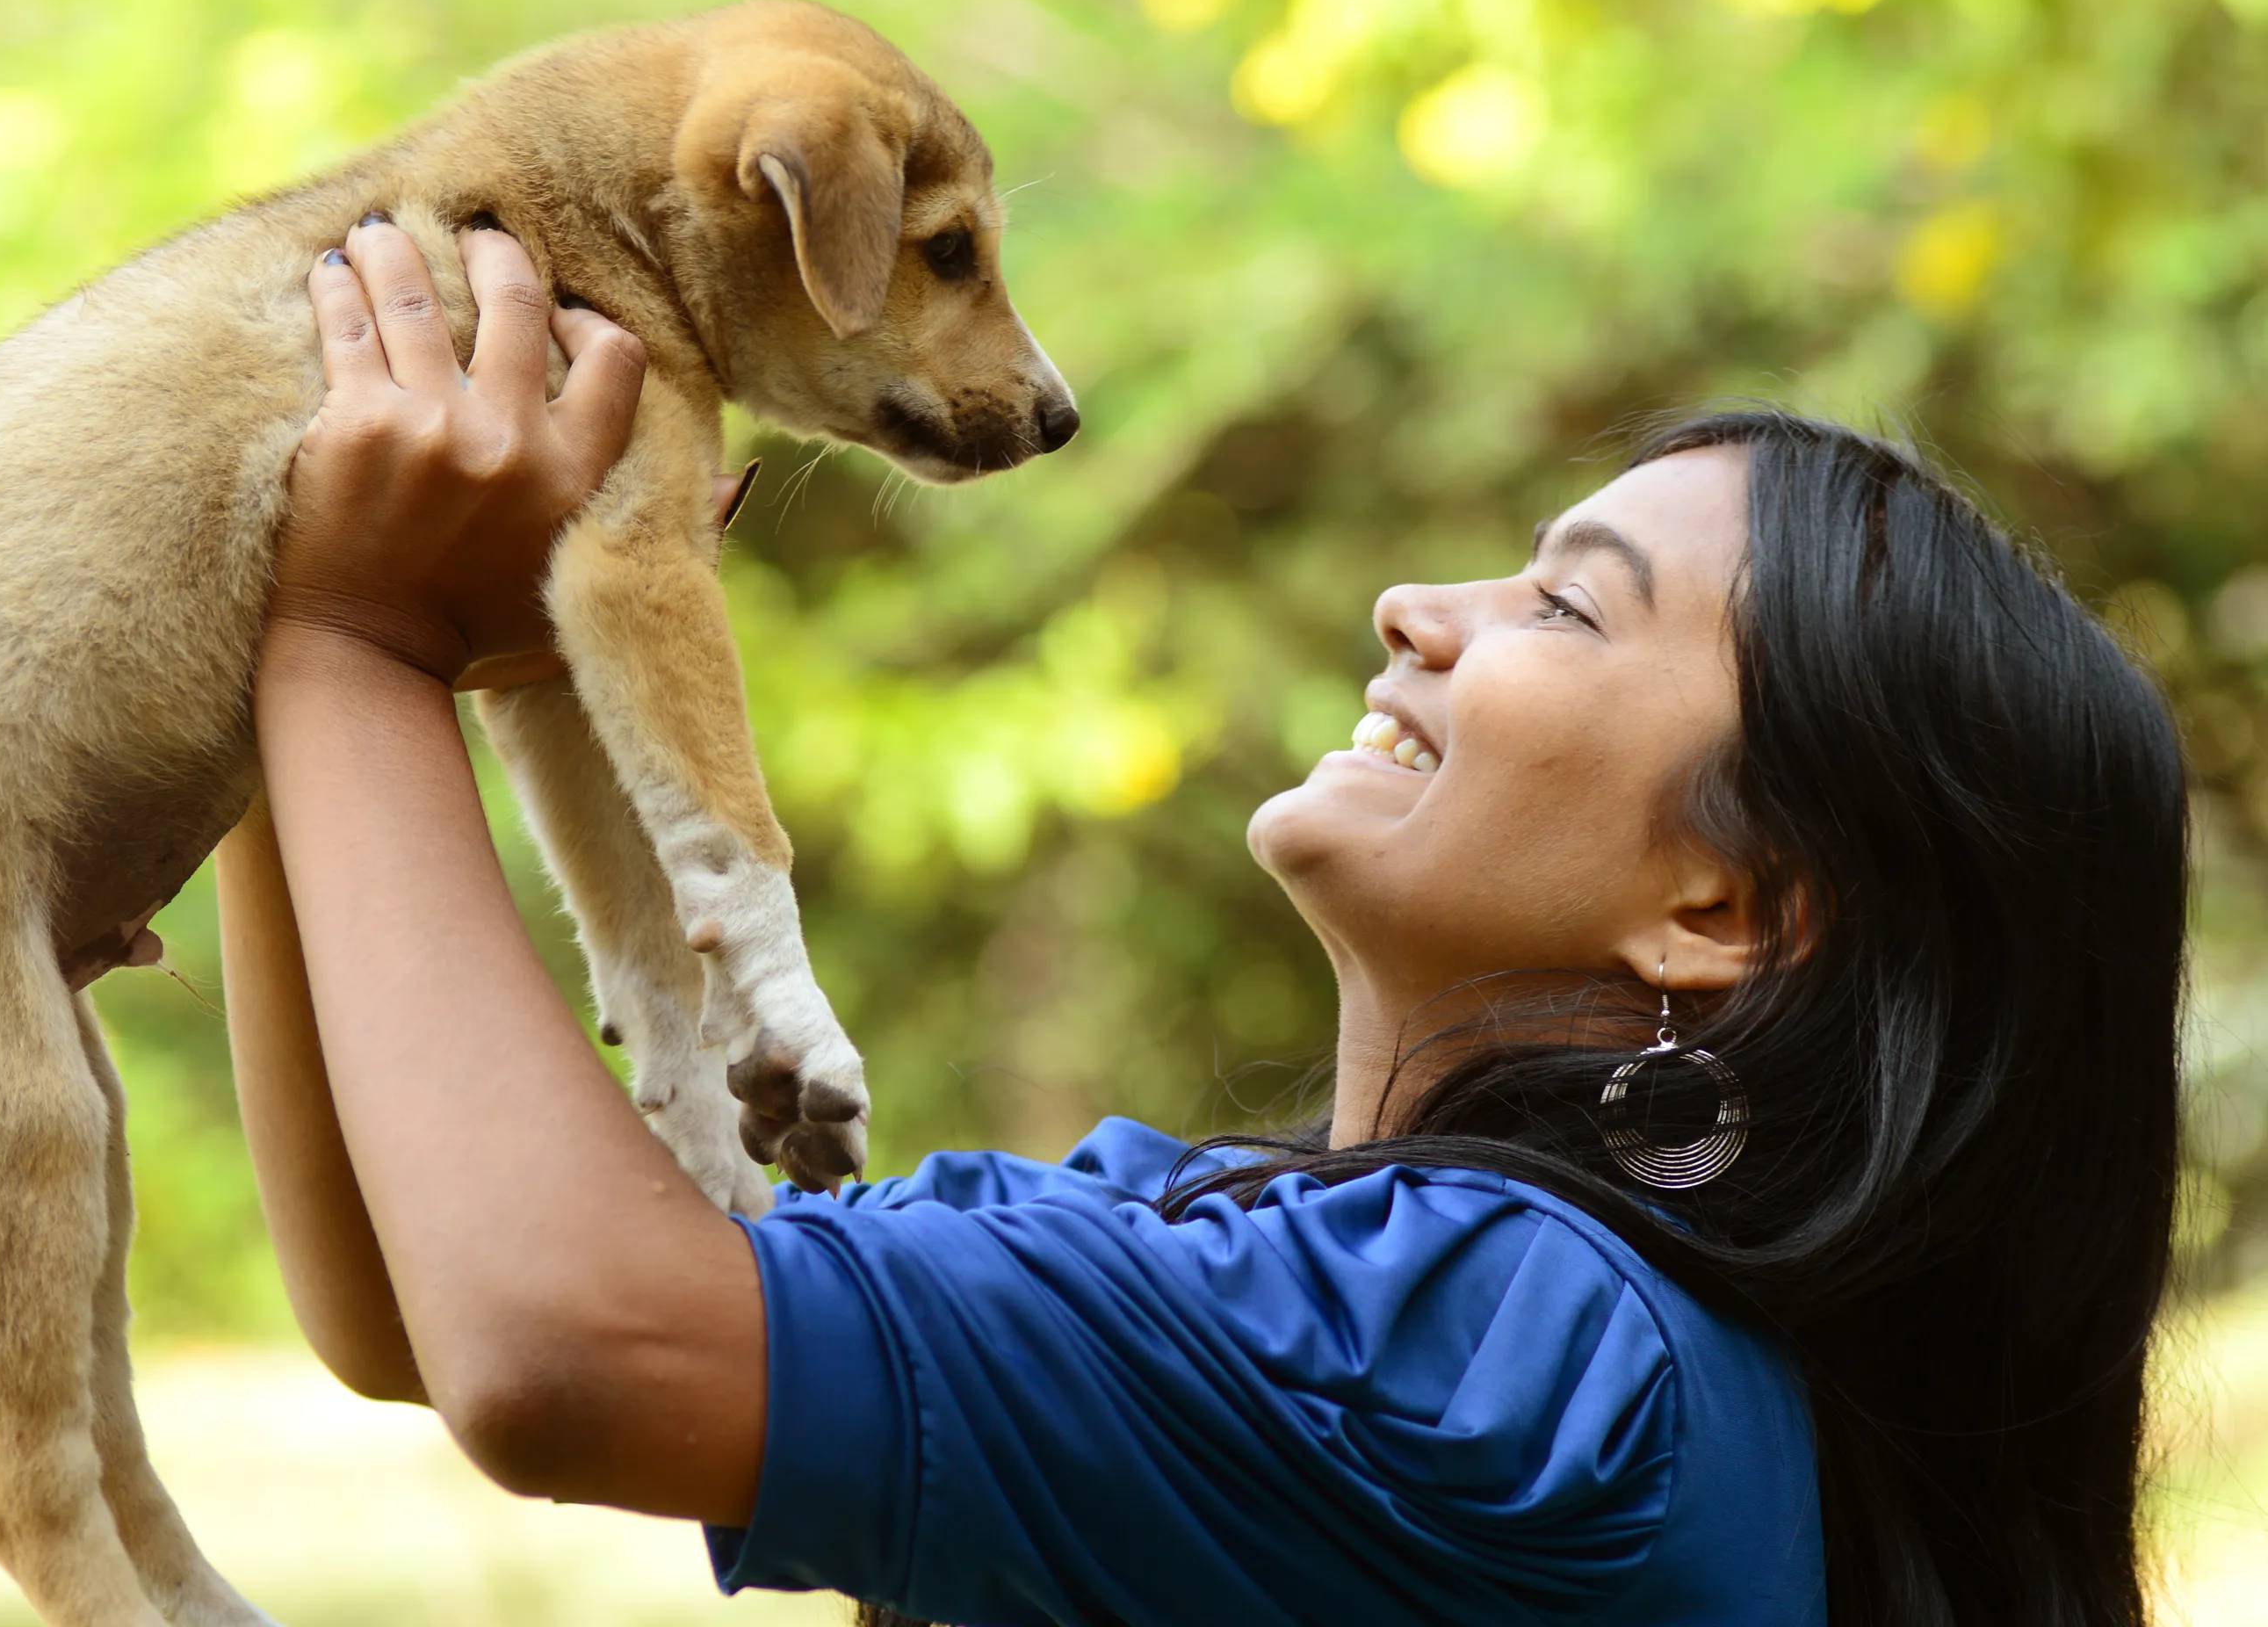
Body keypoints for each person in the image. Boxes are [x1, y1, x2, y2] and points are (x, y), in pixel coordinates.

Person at [213, 213, 2186, 1626]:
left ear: (1727, 910)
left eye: (1567, 608)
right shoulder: (1258, 1266)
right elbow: (421, 1297)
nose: (1426, 608)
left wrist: (352, 631)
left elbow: (569, 1339)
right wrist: (287, 690)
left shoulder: (1524, 1358)